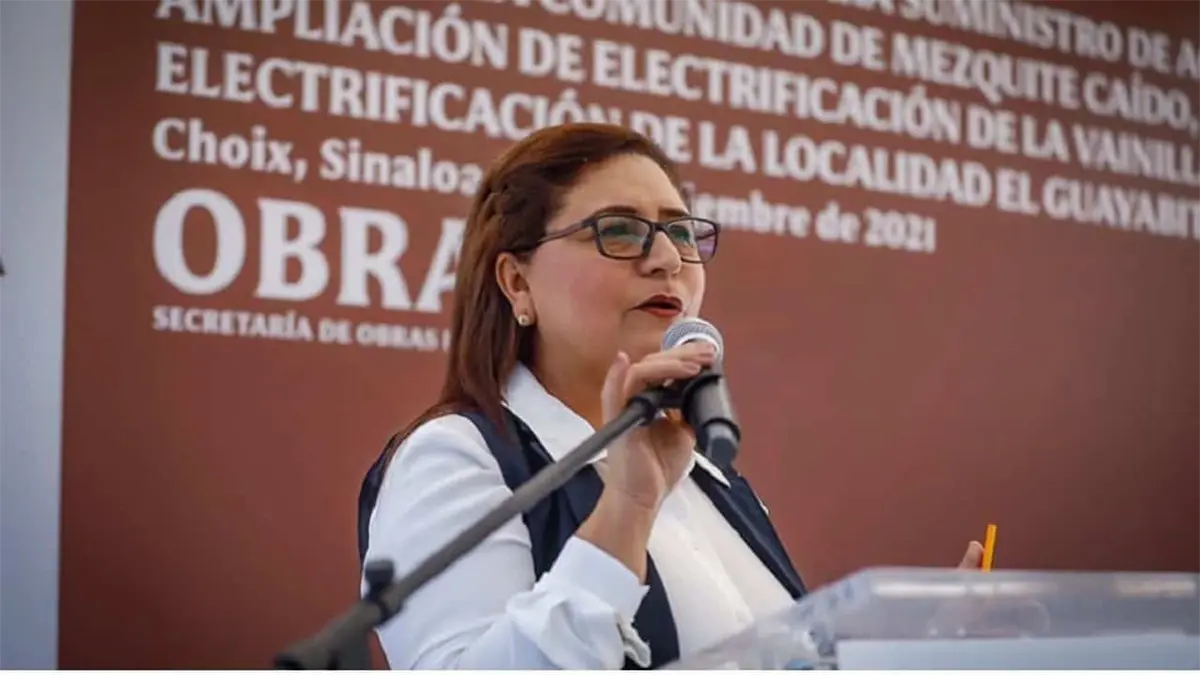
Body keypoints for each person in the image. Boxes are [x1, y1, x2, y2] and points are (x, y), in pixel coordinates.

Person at [357, 123, 983, 670]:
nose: (666, 259)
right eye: (618, 230)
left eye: (681, 233)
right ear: (517, 282)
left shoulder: (710, 477)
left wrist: (913, 658)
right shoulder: (456, 457)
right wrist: (628, 508)